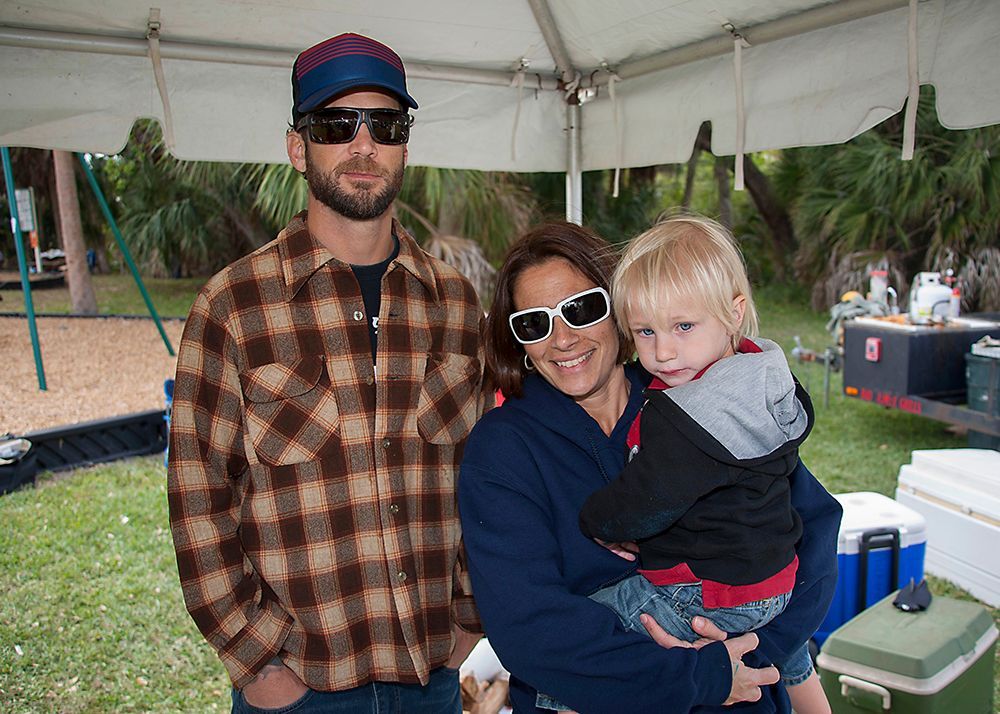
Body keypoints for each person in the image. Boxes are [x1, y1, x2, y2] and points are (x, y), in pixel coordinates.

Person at [167, 32, 486, 714]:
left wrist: (469, 617)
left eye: (386, 125)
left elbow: (483, 477)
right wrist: (259, 663)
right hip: (300, 687)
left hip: (431, 675)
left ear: (405, 146)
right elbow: (199, 499)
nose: (363, 146)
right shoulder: (232, 306)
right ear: (297, 147)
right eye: (337, 125)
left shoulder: (456, 305)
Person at [458, 221, 842, 713]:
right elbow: (529, 628)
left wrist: (751, 652)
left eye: (581, 309)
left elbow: (814, 529)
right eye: (535, 323)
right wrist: (701, 676)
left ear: (618, 307)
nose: (562, 339)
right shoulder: (503, 450)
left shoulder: (698, 396)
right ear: (520, 343)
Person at [576, 215, 831, 713]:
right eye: (645, 331)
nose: (663, 351)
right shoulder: (761, 376)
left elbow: (644, 502)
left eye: (684, 326)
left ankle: (558, 704)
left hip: (711, 591)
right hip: (777, 581)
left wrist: (597, 521)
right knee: (783, 644)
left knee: (592, 625)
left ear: (734, 313)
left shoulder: (690, 416)